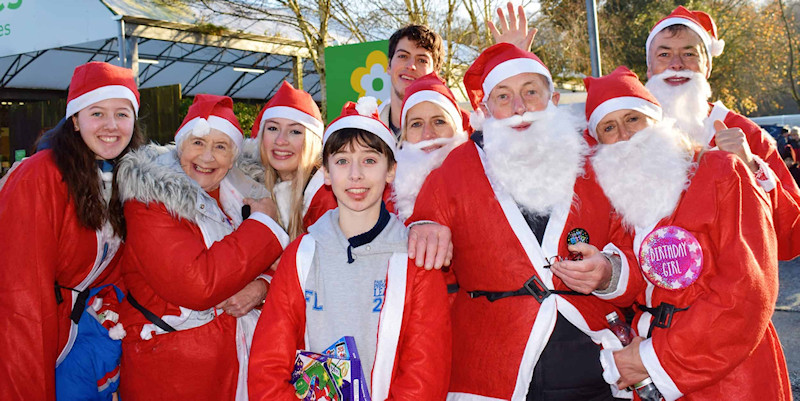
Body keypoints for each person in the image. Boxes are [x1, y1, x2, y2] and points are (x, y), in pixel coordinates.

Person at [408, 43, 634, 400]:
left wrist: (609, 272)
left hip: (593, 365)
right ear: (485, 109)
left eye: (530, 92)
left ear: (554, 99)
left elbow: (633, 247)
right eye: (503, 96)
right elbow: (421, 234)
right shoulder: (457, 167)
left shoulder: (594, 159)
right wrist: (422, 226)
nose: (519, 108)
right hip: (493, 369)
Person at [585, 66, 791, 400]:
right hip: (650, 367)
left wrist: (652, 359)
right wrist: (607, 274)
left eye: (633, 119)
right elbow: (637, 283)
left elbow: (749, 290)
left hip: (729, 373)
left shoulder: (723, 171)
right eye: (609, 127)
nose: (625, 134)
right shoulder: (619, 200)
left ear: (657, 120)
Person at [248, 99, 451, 400]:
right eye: (342, 161)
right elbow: (268, 363)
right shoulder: (302, 254)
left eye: (369, 160)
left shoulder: (414, 259)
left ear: (391, 171)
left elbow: (425, 372)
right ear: (327, 174)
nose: (355, 175)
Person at [115, 94, 287, 400]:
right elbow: (197, 284)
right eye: (197, 143)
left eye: (220, 147)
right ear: (180, 145)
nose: (207, 157)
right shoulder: (151, 199)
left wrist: (261, 286)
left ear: (233, 157)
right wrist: (262, 225)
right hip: (174, 375)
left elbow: (282, 268)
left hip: (238, 365)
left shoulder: (243, 191)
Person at [0, 61, 144, 400]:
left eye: (122, 114)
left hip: (91, 335)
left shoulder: (128, 176)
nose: (111, 126)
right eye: (97, 113)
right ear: (75, 121)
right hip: (46, 341)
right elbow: (20, 299)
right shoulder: (40, 177)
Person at [643, 6, 800, 260]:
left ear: (707, 67)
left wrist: (750, 166)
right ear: (649, 69)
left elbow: (791, 236)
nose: (676, 64)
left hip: (730, 293)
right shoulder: (628, 131)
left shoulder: (746, 134)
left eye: (689, 54)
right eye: (664, 54)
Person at [379, 3, 536, 138]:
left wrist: (515, 67)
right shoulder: (364, 126)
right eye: (403, 56)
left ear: (436, 71)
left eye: (422, 60)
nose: (411, 66)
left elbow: (516, 145)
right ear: (388, 65)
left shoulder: (467, 127)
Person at [240, 81, 332, 238]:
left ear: (312, 142)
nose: (281, 140)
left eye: (295, 131)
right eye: (273, 128)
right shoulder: (249, 190)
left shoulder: (327, 194)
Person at [393, 71, 469, 221]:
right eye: (416, 124)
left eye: (439, 121)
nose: (428, 134)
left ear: (457, 129)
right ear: (405, 135)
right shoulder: (383, 195)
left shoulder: (488, 182)